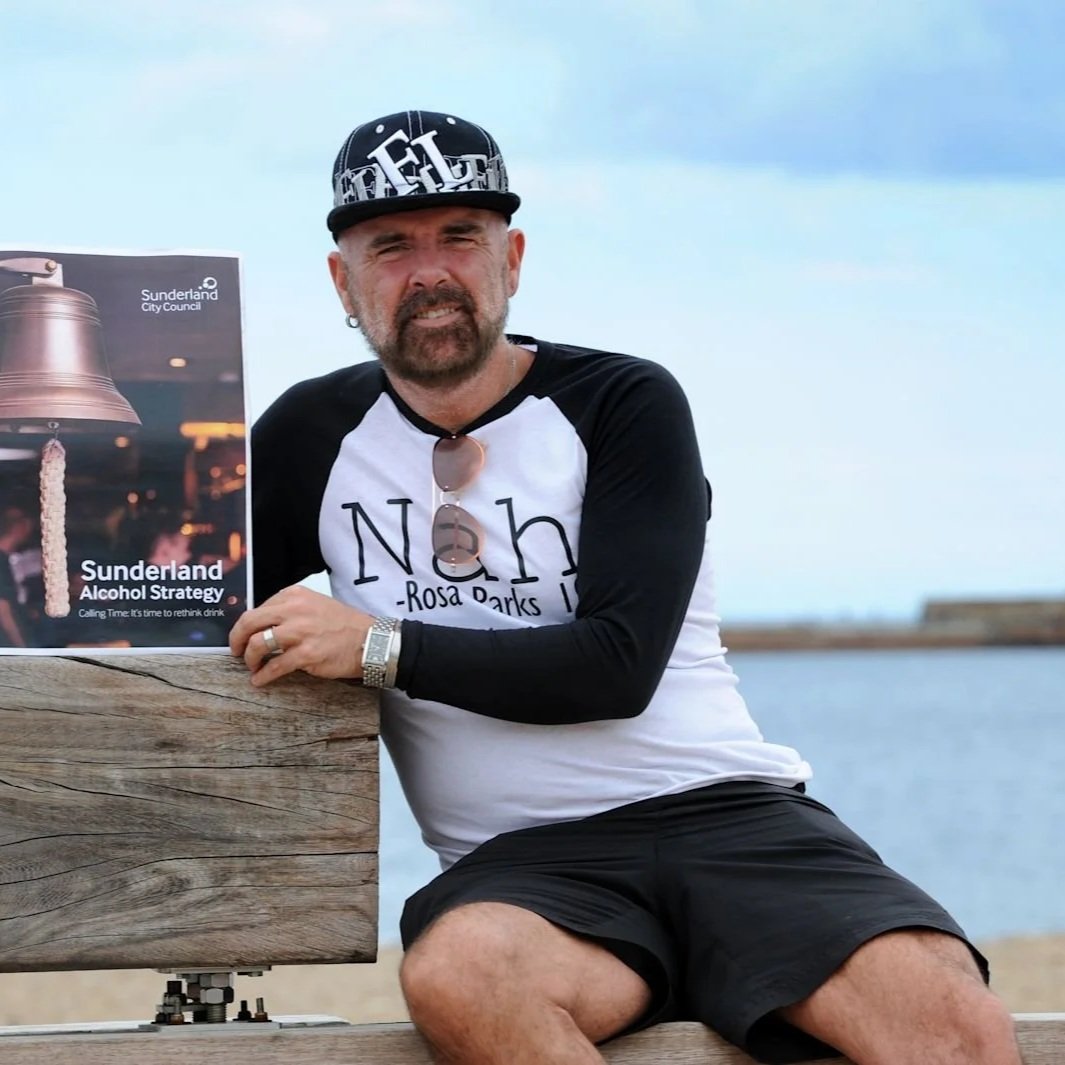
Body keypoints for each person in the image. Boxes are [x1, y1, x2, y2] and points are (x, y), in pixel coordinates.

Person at [231, 111, 1019, 1064]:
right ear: (341, 281)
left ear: (511, 259)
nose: (428, 270)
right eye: (391, 246)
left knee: (954, 1023)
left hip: (731, 817)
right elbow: (163, 605)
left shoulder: (623, 402)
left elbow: (616, 665)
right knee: (461, 978)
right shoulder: (313, 435)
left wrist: (373, 645)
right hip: (523, 866)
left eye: (460, 238)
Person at [0, 504, 34, 647]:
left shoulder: (7, 560)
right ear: (19, 527)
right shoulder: (1, 561)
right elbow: (3, 608)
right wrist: (23, 648)